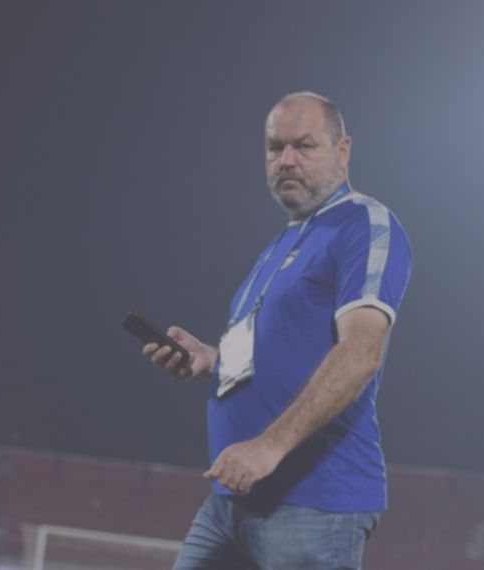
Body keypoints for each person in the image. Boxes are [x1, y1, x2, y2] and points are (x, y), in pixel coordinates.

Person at [144, 91, 412, 569]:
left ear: (343, 150)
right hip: (231, 500)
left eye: (303, 146)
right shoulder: (279, 246)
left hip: (312, 504)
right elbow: (272, 355)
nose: (286, 160)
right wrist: (209, 359)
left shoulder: (364, 223)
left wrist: (268, 448)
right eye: (275, 148)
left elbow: (361, 353)